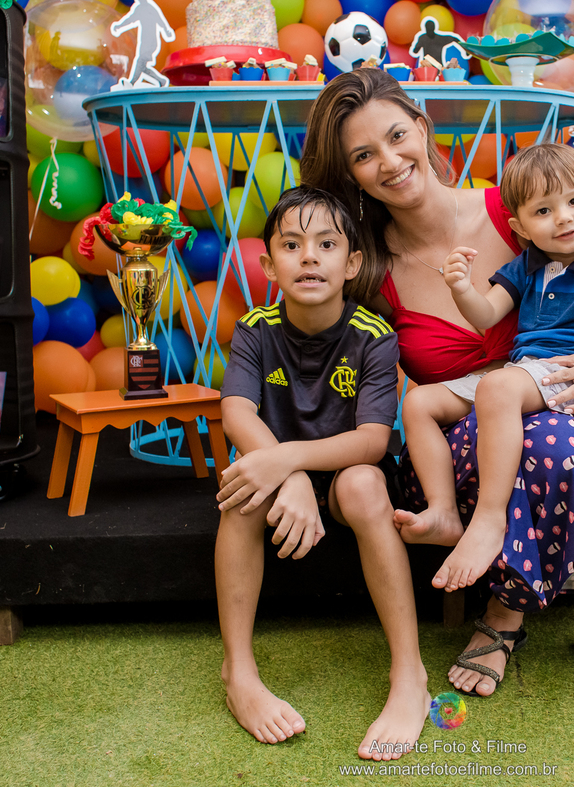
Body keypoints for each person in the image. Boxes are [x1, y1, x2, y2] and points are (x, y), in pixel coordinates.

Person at [301, 68, 574, 705]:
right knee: (552, 439)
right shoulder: (366, 267)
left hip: (562, 389)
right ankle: (503, 618)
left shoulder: (520, 207)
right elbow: (328, 371)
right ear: (350, 175)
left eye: (398, 136)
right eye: (364, 156)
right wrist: (291, 465)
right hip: (463, 446)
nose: (391, 161)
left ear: (422, 130)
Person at [215, 186, 429, 759]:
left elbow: (371, 441)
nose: (309, 257)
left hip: (344, 480)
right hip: (284, 483)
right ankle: (239, 673)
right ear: (268, 264)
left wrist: (293, 464)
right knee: (242, 487)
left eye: (326, 244)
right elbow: (235, 410)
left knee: (364, 483)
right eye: (291, 244)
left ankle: (409, 674)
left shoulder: (374, 336)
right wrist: (285, 476)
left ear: (352, 263)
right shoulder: (255, 329)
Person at [401, 143, 574, 598]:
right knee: (420, 401)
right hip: (523, 373)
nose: (563, 217)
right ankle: (443, 510)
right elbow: (484, 315)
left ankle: (489, 516)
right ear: (520, 227)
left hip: (563, 374)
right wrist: (461, 287)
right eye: (544, 210)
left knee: (500, 386)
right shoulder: (525, 267)